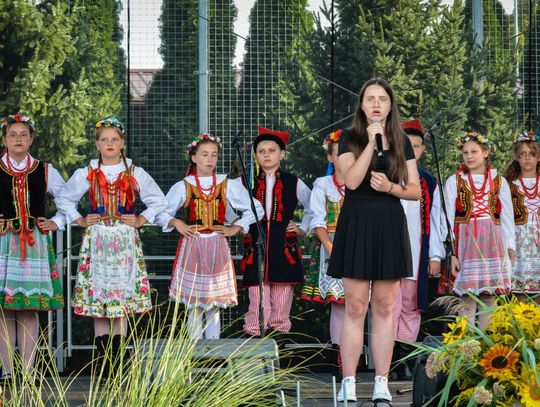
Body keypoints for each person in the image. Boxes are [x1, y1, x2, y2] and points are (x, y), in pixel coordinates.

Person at [327, 77, 421, 403]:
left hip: (388, 222)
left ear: (390, 105)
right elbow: (350, 181)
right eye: (370, 99)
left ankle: (382, 382)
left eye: (382, 99)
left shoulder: (401, 141)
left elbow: (415, 190)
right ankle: (349, 382)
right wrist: (370, 143)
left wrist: (390, 188)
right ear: (362, 105)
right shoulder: (348, 138)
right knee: (355, 306)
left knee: (384, 306)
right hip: (357, 220)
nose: (377, 104)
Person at [57, 118, 167, 366]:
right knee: (99, 295)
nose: (109, 143)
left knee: (120, 296)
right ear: (96, 144)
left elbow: (159, 200)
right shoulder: (87, 172)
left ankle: (118, 358)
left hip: (124, 239)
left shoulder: (134, 172)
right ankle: (102, 359)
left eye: (114, 139)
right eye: (104, 139)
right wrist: (80, 219)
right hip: (97, 239)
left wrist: (141, 218)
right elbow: (64, 199)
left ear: (122, 143)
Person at [155, 133, 263, 339]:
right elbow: (160, 211)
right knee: (194, 306)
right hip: (192, 246)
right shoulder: (184, 185)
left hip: (217, 246)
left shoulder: (226, 184)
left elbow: (255, 208)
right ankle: (194, 356)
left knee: (213, 306)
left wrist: (236, 227)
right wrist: (176, 222)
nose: (210, 159)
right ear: (194, 157)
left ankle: (212, 356)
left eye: (214, 155)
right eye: (204, 154)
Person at [0, 113, 66, 379]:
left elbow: (68, 201)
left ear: (31, 139)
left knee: (29, 308)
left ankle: (27, 371)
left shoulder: (45, 170)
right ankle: (6, 371)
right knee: (4, 309)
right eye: (13, 134)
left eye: (23, 135)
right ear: (4, 139)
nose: (18, 139)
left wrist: (56, 221)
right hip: (4, 243)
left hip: (34, 244)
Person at [241, 126, 311, 338]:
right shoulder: (245, 181)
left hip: (283, 246)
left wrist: (302, 228)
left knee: (282, 298)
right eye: (261, 151)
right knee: (257, 296)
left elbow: (314, 208)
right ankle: (254, 337)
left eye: (272, 150)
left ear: (282, 154)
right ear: (255, 155)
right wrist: (238, 224)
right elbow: (225, 206)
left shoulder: (293, 181)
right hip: (256, 245)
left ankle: (279, 339)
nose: (266, 155)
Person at [392, 118, 446, 379]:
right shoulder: (386, 174)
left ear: (423, 149)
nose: (411, 150)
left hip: (417, 251)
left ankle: (406, 358)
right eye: (406, 145)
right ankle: (389, 359)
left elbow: (435, 220)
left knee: (412, 306)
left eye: (416, 146)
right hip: (389, 253)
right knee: (387, 305)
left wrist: (435, 254)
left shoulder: (428, 181)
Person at [444, 132, 515, 329]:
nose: (469, 156)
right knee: (467, 297)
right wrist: (451, 253)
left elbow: (507, 218)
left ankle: (485, 345)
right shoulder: (455, 181)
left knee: (489, 296)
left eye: (474, 151)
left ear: (485, 153)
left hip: (493, 243)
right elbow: (447, 219)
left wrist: (510, 247)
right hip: (466, 243)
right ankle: (464, 346)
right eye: (465, 152)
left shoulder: (498, 181)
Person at [299, 129, 345, 371]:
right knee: (339, 303)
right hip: (332, 244)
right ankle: (340, 356)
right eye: (339, 153)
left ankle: (357, 357)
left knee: (361, 303)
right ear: (330, 158)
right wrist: (330, 248)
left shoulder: (363, 182)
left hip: (360, 246)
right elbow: (317, 220)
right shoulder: (323, 184)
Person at [503, 130, 540, 298]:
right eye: (522, 154)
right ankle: (522, 323)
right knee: (520, 292)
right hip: (519, 240)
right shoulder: (509, 185)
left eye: (532, 154)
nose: (527, 158)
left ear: (538, 157)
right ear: (517, 158)